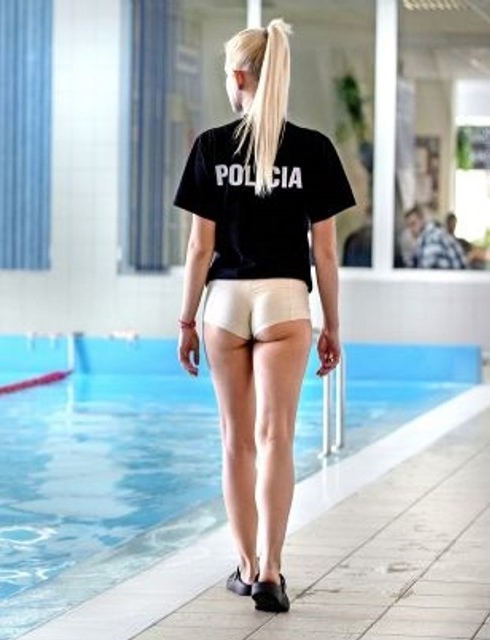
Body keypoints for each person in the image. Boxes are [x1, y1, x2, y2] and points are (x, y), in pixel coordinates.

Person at [175, 19, 353, 613]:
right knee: (277, 437)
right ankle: (273, 571)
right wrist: (332, 324)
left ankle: (246, 566)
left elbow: (198, 248)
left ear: (238, 75)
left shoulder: (211, 146)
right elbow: (325, 252)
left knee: (236, 442)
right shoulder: (314, 149)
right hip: (285, 301)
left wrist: (185, 320)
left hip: (224, 302)